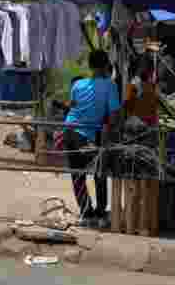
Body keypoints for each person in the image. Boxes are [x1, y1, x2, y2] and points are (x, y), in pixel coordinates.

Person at [63, 50, 122, 228]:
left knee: (77, 174)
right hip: (87, 135)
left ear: (89, 66)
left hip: (69, 131)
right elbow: (114, 116)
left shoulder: (78, 84)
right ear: (106, 66)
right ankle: (100, 212)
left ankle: (86, 212)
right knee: (99, 171)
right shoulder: (110, 86)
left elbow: (73, 106)